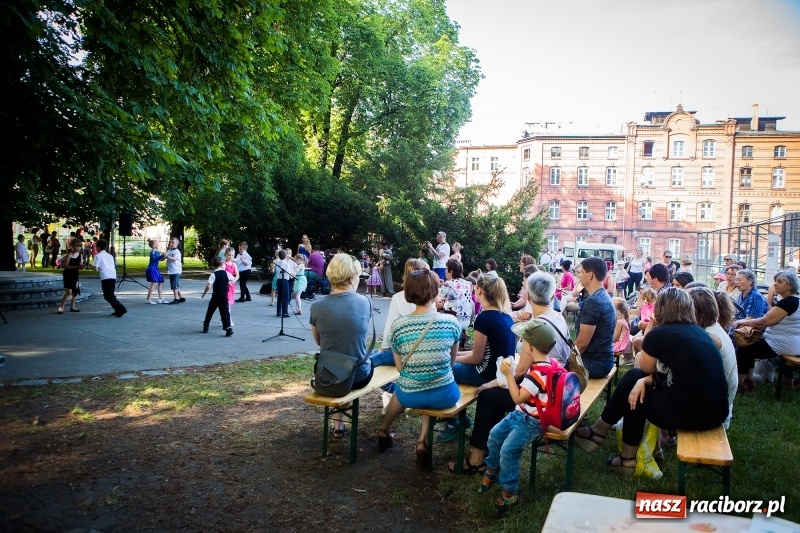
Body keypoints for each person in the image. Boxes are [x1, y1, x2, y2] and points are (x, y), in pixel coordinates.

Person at [575, 288, 729, 474]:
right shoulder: (701, 333)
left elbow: (645, 369)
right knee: (636, 383)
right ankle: (603, 436)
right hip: (717, 412)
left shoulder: (660, 334)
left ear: (661, 309)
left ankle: (620, 452)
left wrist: (651, 329)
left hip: (691, 414)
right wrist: (644, 381)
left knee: (636, 393)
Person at [377, 269, 461, 468]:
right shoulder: (450, 322)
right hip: (444, 394)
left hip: (409, 395)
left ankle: (383, 430)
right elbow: (451, 362)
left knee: (406, 386)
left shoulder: (399, 326)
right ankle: (422, 442)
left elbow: (399, 367)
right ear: (434, 292)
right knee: (431, 382)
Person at [478, 318, 557, 514]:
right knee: (495, 435)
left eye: (523, 340)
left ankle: (509, 493)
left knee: (509, 451)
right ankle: (492, 469)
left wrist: (508, 375)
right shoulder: (546, 363)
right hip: (520, 414)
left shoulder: (537, 375)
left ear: (530, 346)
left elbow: (516, 396)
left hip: (531, 422)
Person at [310, 253, 374, 438]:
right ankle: (340, 423)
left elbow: (319, 341)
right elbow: (359, 336)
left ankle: (338, 425)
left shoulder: (317, 306)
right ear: (351, 277)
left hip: (327, 375)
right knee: (362, 357)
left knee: (337, 360)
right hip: (359, 375)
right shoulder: (365, 302)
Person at [734, 270, 800, 392]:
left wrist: (742, 322)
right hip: (785, 342)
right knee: (748, 343)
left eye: (779, 282)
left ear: (790, 286)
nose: (775, 284)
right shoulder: (792, 300)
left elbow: (765, 321)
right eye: (775, 281)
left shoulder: (789, 302)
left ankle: (740, 383)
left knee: (745, 345)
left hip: (782, 344)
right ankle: (748, 380)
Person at [687, 287, 737, 428]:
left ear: (699, 314)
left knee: (646, 393)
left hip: (711, 410)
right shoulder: (713, 328)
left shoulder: (706, 338)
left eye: (686, 308)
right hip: (719, 402)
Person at [573, 257, 616, 378]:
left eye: (581, 272)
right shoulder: (601, 295)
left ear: (590, 275)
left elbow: (582, 344)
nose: (579, 275)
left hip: (594, 364)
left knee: (549, 365)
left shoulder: (594, 302)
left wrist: (565, 359)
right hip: (602, 362)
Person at [438, 259, 473, 335]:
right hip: (467, 321)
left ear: (451, 272)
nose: (445, 271)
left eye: (446, 269)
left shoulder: (448, 284)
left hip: (453, 321)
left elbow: (438, 302)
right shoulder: (467, 284)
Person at [201, 256, 234, 336]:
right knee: (225, 312)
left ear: (213, 265)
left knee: (210, 311)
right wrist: (230, 283)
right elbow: (233, 278)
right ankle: (228, 327)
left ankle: (206, 326)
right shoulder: (226, 273)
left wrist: (204, 294)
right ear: (222, 264)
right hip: (224, 296)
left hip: (215, 296)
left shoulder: (213, 274)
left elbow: (209, 286)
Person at [94, 239, 126, 317]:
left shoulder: (98, 256)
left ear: (98, 247)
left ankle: (121, 308)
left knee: (108, 296)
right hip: (112, 275)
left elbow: (95, 268)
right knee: (111, 294)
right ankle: (117, 309)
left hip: (105, 277)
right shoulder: (110, 256)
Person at [56, 238, 82, 313]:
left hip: (75, 274)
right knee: (68, 291)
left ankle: (72, 307)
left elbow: (81, 264)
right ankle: (61, 307)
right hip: (68, 274)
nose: (78, 248)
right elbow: (65, 266)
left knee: (74, 291)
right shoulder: (69, 255)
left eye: (79, 246)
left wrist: (81, 266)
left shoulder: (80, 255)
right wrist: (77, 267)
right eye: (76, 246)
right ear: (72, 247)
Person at [145, 239, 167, 304]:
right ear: (154, 245)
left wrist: (165, 257)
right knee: (154, 283)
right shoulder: (153, 252)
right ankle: (148, 299)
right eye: (157, 244)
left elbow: (160, 259)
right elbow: (155, 259)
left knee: (161, 282)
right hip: (152, 268)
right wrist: (162, 255)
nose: (158, 244)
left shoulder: (157, 252)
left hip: (155, 268)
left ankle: (161, 298)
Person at [165, 237, 185, 304]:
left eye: (173, 242)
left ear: (177, 244)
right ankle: (181, 298)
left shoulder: (177, 252)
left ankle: (176, 298)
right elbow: (164, 257)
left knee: (174, 285)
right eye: (170, 242)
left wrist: (167, 256)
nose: (171, 244)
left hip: (176, 270)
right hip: (171, 270)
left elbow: (174, 259)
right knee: (175, 284)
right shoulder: (169, 251)